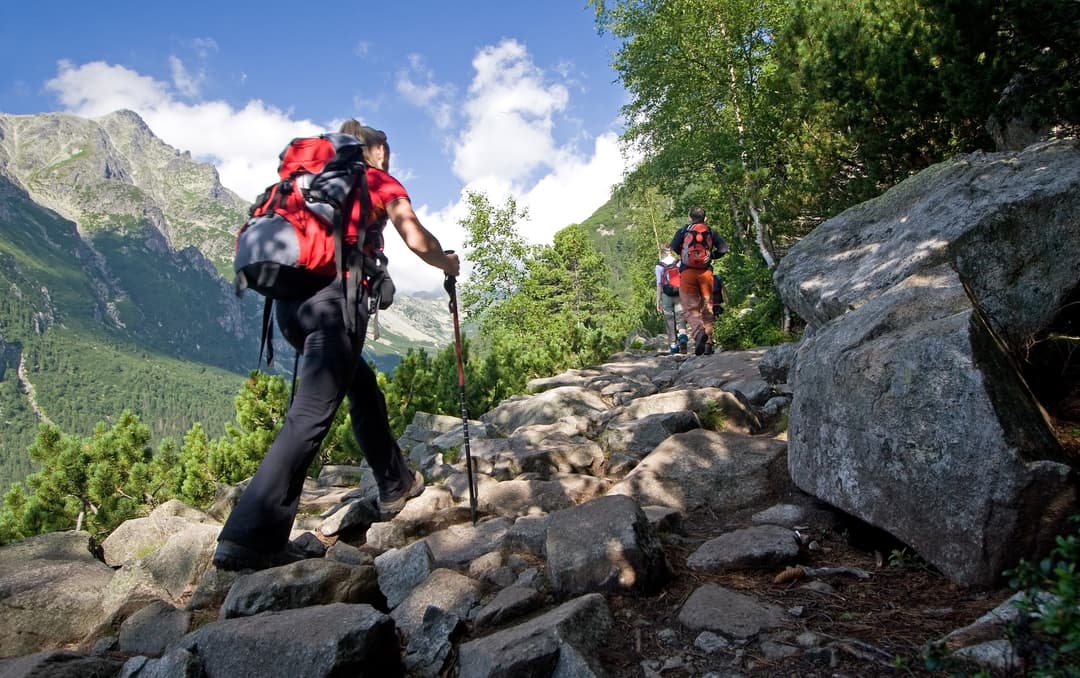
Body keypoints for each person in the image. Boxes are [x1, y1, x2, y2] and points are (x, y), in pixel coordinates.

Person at [213, 121, 459, 571]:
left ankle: (395, 483)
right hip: (334, 306)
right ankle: (249, 537)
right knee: (310, 414)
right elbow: (415, 237)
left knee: (361, 387)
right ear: (378, 149)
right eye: (387, 149)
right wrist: (446, 262)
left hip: (289, 307)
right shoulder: (376, 180)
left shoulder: (311, 187)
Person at [669, 206, 727, 356]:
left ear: (690, 217)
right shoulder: (710, 231)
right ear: (705, 218)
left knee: (690, 308)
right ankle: (708, 344)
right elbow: (723, 249)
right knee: (707, 308)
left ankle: (699, 333)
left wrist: (685, 256)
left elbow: (674, 246)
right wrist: (711, 256)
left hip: (687, 273)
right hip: (706, 274)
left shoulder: (683, 231)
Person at [655, 246, 688, 354]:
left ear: (662, 252)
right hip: (679, 292)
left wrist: (658, 301)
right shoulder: (678, 262)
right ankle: (682, 337)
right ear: (671, 251)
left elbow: (659, 284)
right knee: (680, 316)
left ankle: (673, 346)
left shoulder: (659, 266)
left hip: (666, 295)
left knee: (669, 319)